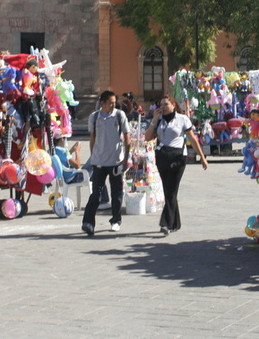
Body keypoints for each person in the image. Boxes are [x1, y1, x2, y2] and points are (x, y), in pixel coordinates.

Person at [144, 95, 208, 235]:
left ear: (173, 105)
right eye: (161, 105)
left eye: (166, 104)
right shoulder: (159, 120)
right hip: (162, 157)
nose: (163, 107)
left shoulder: (182, 119)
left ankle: (165, 223)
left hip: (178, 157)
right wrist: (154, 120)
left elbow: (193, 139)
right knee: (168, 191)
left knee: (172, 191)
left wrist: (202, 157)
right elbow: (148, 138)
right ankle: (175, 223)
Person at [81, 90, 130, 236]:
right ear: (102, 103)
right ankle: (88, 222)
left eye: (115, 103)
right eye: (110, 103)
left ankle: (116, 220)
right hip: (99, 162)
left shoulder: (120, 115)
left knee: (116, 194)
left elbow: (127, 138)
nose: (113, 105)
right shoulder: (94, 117)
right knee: (96, 194)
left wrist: (126, 159)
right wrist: (93, 157)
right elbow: (92, 139)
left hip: (115, 161)